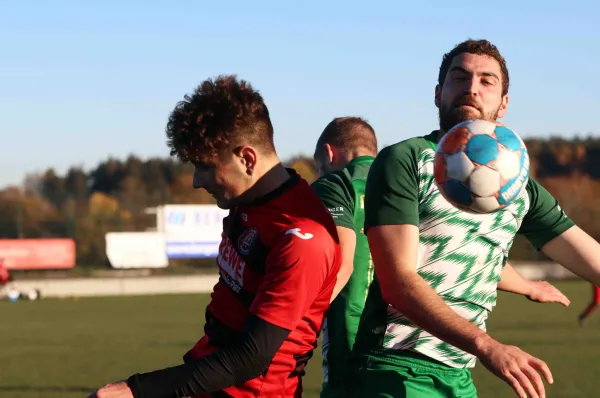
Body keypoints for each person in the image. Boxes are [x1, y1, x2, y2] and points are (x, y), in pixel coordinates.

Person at [348, 39, 600, 398]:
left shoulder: (516, 184)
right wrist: (487, 346)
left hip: (459, 374)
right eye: (459, 77)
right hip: (395, 367)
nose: (471, 88)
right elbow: (398, 283)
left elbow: (591, 257)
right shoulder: (404, 159)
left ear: (504, 103)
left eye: (487, 81)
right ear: (438, 93)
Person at [88, 75, 342, 398]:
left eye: (204, 166)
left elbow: (250, 358)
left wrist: (136, 391)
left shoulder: (303, 238)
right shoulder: (246, 202)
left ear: (247, 159)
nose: (196, 180)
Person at [311, 117, 570, 398]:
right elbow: (454, 247)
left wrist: (294, 318)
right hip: (420, 341)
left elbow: (342, 264)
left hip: (358, 340)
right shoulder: (413, 179)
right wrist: (528, 286)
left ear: (328, 153)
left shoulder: (335, 184)